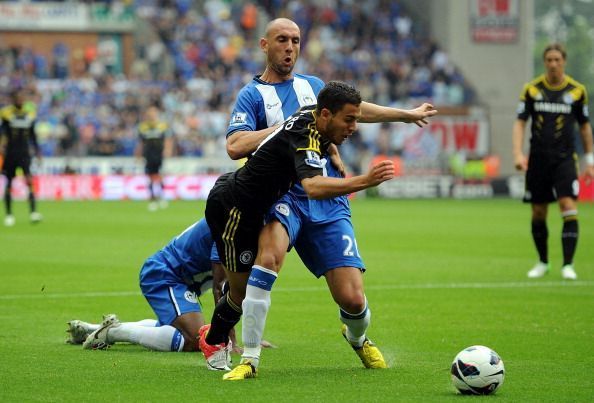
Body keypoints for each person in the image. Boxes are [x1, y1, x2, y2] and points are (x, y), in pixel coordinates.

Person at [199, 18, 437, 380]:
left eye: (295, 40)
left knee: (352, 299)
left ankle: (358, 338)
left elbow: (354, 108)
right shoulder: (252, 95)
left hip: (326, 196)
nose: (290, 47)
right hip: (283, 197)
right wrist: (292, 127)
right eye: (282, 40)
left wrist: (405, 115)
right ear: (265, 45)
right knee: (267, 261)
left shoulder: (313, 87)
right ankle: (249, 358)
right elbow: (235, 145)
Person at [512, 43, 594, 280]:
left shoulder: (577, 91)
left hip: (565, 159)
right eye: (549, 60)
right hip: (537, 160)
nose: (553, 64)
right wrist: (518, 153)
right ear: (544, 62)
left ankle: (568, 264)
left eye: (557, 59)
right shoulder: (531, 90)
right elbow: (520, 122)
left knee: (568, 205)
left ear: (564, 62)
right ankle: (543, 262)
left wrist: (590, 160)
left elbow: (585, 127)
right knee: (538, 212)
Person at [0, 89, 42, 227]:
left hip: (24, 153)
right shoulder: (6, 114)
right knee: (9, 182)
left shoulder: (29, 114)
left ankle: (33, 212)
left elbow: (33, 135)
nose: (20, 100)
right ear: (13, 99)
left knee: (29, 181)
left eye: (22, 97)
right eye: (18, 97)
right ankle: (9, 214)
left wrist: (37, 151)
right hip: (10, 153)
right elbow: (2, 133)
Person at [135, 105, 173, 211]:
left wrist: (167, 150)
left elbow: (168, 139)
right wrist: (138, 154)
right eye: (150, 113)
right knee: (150, 176)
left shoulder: (162, 126)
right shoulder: (143, 127)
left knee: (160, 175)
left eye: (153, 112)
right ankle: (152, 198)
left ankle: (161, 196)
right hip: (148, 154)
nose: (152, 115)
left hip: (158, 154)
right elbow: (140, 142)